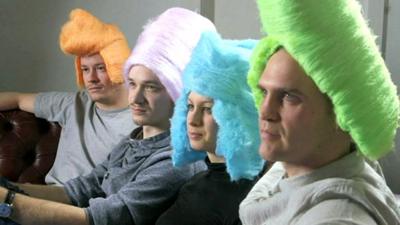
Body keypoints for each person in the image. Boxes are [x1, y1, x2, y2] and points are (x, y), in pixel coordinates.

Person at [0, 7, 216, 225]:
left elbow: (102, 218)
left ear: (175, 92)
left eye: (151, 87)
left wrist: (8, 201)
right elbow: (83, 189)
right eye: (132, 84)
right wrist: (9, 189)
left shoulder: (176, 161)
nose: (135, 98)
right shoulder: (135, 138)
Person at [239, 0, 400, 224]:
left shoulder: (336, 219)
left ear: (341, 114)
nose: (265, 111)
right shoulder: (303, 169)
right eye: (263, 92)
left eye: (288, 96)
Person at [0, 8, 135, 185]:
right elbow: (17, 98)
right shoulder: (73, 104)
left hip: (89, 207)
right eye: (85, 69)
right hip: (48, 197)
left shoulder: (142, 120)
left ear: (119, 66)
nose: (91, 78)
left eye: (101, 68)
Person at [156, 31, 264, 225]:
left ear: (237, 117)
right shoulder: (195, 183)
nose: (193, 120)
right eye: (190, 106)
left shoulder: (250, 201)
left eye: (207, 109)